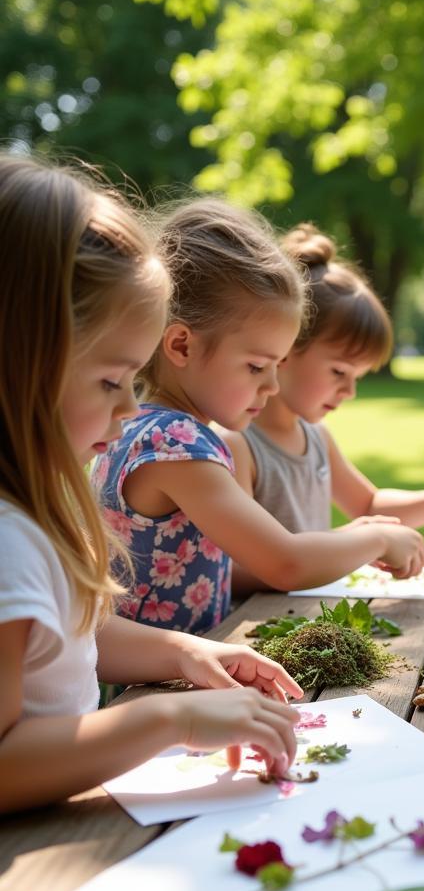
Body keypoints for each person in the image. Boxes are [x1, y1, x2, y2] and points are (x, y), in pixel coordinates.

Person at [0, 155, 301, 813]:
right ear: (19, 360)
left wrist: (185, 653)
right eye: (111, 381)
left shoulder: (30, 512)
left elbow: (67, 640)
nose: (130, 408)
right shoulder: (6, 541)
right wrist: (168, 722)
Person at [93, 201, 424, 634]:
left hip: (182, 670)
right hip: (162, 685)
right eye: (256, 366)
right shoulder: (174, 444)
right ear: (181, 346)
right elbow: (284, 561)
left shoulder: (144, 426)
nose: (271, 387)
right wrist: (377, 538)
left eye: (278, 365)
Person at [222, 223, 424, 592]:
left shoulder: (315, 437)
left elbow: (368, 505)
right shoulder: (238, 445)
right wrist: (351, 543)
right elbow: (231, 571)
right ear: (285, 349)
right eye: (339, 371)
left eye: (358, 376)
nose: (349, 390)